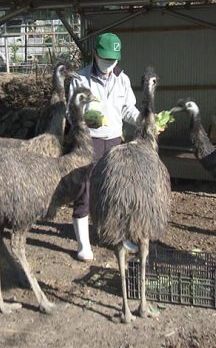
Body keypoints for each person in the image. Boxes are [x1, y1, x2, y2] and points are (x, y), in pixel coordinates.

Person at [67, 32, 140, 261]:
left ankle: (119, 236)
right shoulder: (80, 79)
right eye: (105, 59)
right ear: (95, 54)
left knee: (116, 190)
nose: (109, 64)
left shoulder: (122, 79)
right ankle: (83, 244)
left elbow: (127, 108)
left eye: (113, 60)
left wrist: (143, 120)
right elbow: (71, 112)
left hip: (115, 140)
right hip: (89, 141)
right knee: (85, 188)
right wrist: (84, 119)